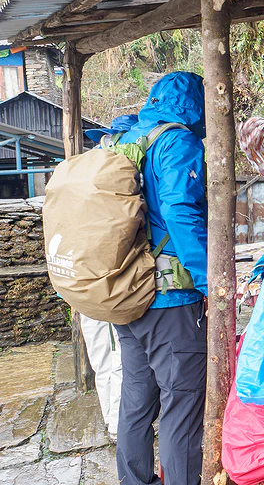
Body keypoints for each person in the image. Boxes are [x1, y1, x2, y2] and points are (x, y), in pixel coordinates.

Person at [113, 72, 208, 485]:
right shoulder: (177, 141)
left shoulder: (127, 137)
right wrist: (211, 284)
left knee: (136, 403)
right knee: (182, 407)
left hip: (127, 292)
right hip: (169, 302)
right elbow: (179, 213)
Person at [79, 113, 140, 440]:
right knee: (118, 359)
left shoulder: (82, 179)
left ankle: (116, 422)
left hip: (81, 283)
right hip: (108, 285)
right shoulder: (120, 181)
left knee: (104, 358)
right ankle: (121, 427)